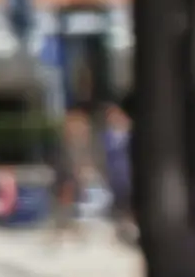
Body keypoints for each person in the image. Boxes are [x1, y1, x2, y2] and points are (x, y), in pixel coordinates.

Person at [50, 109, 95, 243]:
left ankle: (75, 226)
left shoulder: (85, 144)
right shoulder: (63, 144)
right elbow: (62, 162)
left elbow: (89, 159)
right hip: (66, 178)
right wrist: (74, 173)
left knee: (80, 203)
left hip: (79, 180)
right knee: (65, 202)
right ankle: (62, 227)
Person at [101, 104, 135, 244]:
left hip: (130, 179)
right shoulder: (104, 138)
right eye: (111, 116)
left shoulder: (132, 136)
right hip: (112, 180)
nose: (115, 119)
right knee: (117, 211)